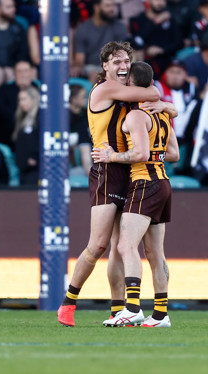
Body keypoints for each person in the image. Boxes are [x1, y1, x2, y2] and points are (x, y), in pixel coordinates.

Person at [56, 41, 174, 327]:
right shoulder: (106, 89)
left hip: (131, 168)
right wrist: (164, 103)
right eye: (116, 62)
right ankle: (69, 302)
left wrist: (167, 106)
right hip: (108, 169)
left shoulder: (131, 97)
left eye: (126, 62)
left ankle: (119, 308)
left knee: (121, 245)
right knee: (97, 245)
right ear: (105, 66)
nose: (122, 66)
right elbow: (155, 92)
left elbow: (162, 106)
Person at [92, 61, 179, 328]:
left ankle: (132, 307)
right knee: (156, 253)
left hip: (144, 183)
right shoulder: (162, 114)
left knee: (125, 246)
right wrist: (165, 107)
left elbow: (140, 154)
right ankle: (161, 314)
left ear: (130, 84)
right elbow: (174, 154)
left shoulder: (136, 116)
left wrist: (112, 155)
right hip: (163, 181)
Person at [71, 0, 129, 82]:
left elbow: (122, 54)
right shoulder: (83, 29)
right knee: (93, 75)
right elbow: (80, 59)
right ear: (97, 8)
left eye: (114, 6)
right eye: (108, 6)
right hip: (89, 67)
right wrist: (77, 67)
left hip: (113, 66)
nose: (112, 9)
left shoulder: (120, 27)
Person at [12, 86, 40, 186]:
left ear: (34, 99)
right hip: (23, 170)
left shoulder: (40, 118)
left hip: (36, 170)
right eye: (19, 99)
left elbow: (42, 139)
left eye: (24, 99)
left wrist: (35, 157)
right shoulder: (22, 118)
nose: (21, 103)